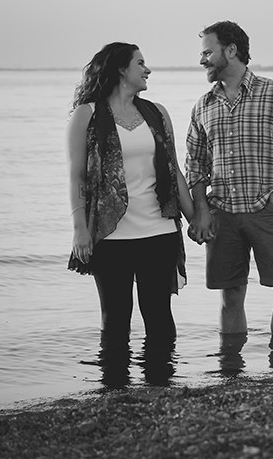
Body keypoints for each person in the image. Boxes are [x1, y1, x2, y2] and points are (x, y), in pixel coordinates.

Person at [185, 21, 273, 367]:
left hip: (267, 209)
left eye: (206, 52)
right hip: (223, 214)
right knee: (230, 297)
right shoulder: (203, 106)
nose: (202, 60)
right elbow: (195, 166)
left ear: (230, 51)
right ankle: (231, 370)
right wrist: (201, 210)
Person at [66, 42, 194, 384]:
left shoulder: (157, 112)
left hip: (160, 230)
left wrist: (197, 218)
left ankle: (161, 386)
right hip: (111, 235)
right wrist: (80, 229)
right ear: (122, 69)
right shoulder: (88, 115)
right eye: (141, 63)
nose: (148, 69)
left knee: (159, 317)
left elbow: (175, 171)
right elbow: (77, 177)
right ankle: (114, 390)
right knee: (116, 319)